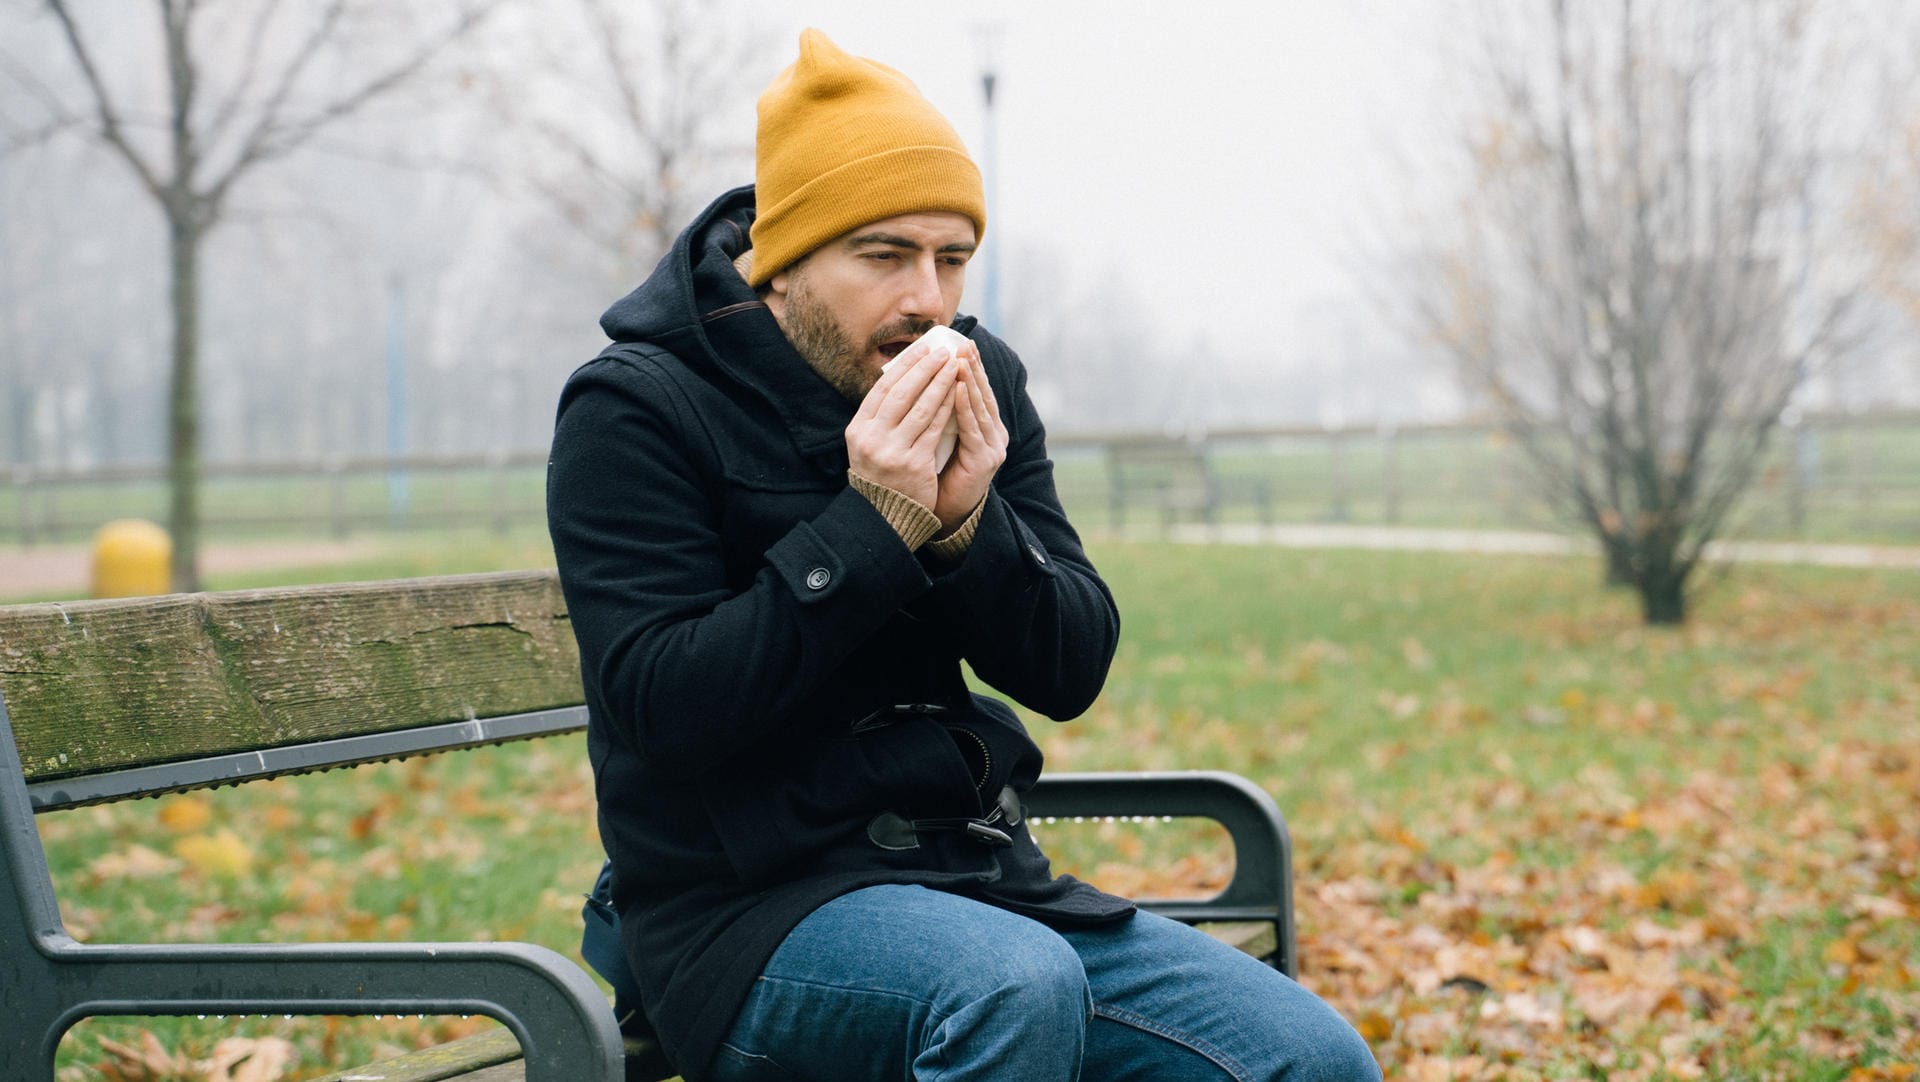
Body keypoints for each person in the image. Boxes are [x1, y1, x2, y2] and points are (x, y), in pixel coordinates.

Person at [546, 28, 1381, 1082]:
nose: (928, 302)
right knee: (1008, 987)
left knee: (1311, 1056)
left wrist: (967, 527)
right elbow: (663, 708)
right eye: (884, 254)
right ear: (783, 262)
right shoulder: (636, 407)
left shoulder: (979, 379)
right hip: (742, 914)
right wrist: (874, 525)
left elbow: (1070, 666)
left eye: (951, 257)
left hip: (977, 877)